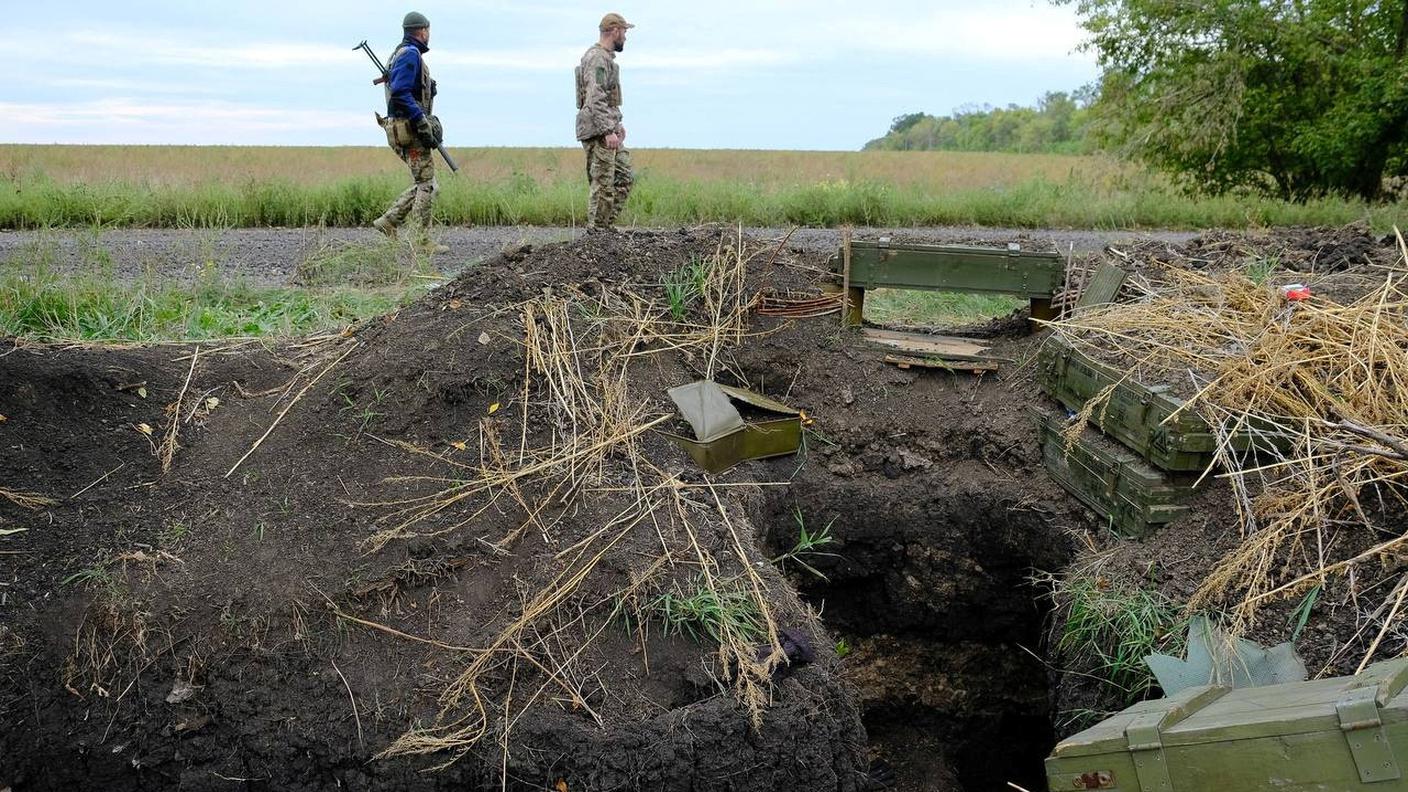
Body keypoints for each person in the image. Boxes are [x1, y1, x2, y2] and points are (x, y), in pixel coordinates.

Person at [372, 11, 449, 254]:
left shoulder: (400, 53)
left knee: (424, 183)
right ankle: (422, 240)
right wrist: (421, 121)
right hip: (410, 129)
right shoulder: (411, 55)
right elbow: (401, 92)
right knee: (428, 185)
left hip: (400, 129)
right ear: (423, 30)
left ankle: (389, 221)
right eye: (428, 30)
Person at [575, 13, 635, 232]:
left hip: (606, 128)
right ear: (615, 31)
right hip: (598, 131)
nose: (625, 38)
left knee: (624, 176)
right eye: (624, 32)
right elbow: (595, 97)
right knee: (602, 184)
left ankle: (604, 229)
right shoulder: (597, 58)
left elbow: (607, 99)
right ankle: (597, 234)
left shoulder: (606, 59)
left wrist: (616, 123)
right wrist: (607, 130)